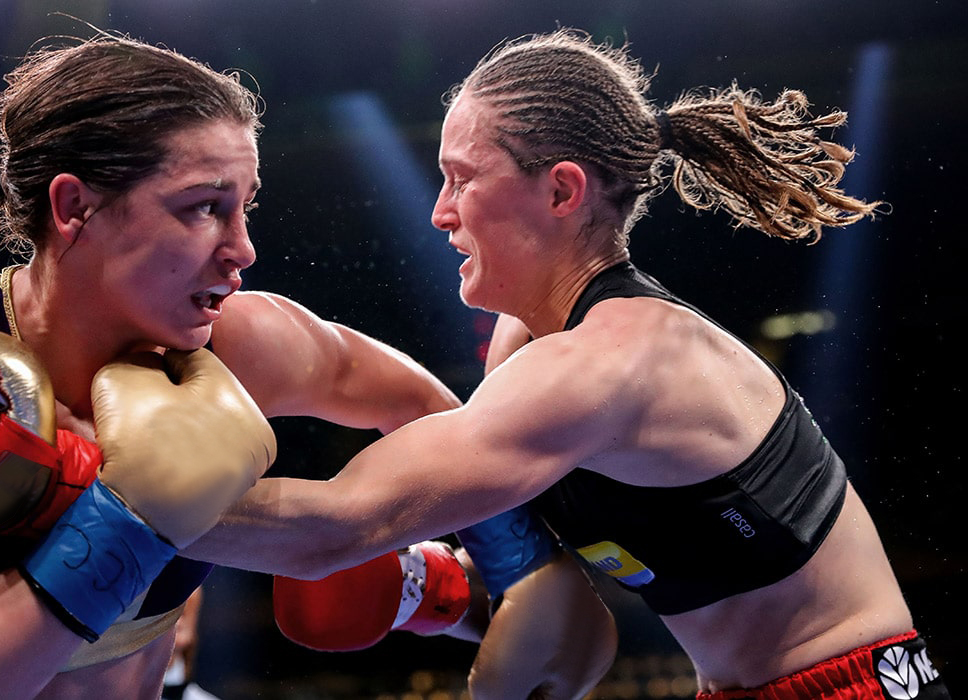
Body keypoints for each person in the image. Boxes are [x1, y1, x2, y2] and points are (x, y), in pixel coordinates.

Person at [183, 29, 952, 699]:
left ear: (560, 190)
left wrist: (112, 496)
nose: (440, 211)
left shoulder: (610, 364)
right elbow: (523, 549)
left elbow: (343, 525)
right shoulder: (528, 343)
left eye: (463, 178)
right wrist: (435, 590)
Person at [0, 32, 473, 700]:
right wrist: (129, 519)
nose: (243, 249)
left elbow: (446, 423)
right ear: (74, 207)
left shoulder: (242, 342)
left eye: (246, 206)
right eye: (205, 207)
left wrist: (510, 579)